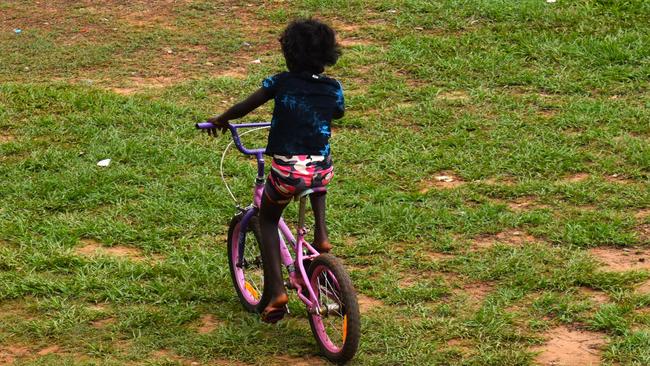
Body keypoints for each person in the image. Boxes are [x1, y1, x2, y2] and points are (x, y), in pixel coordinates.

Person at [206, 18, 344, 323]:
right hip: (321, 168)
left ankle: (277, 291)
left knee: (267, 219)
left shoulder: (280, 83)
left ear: (289, 53)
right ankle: (321, 235)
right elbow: (338, 111)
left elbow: (244, 107)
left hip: (287, 171)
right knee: (317, 179)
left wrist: (220, 120)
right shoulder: (334, 87)